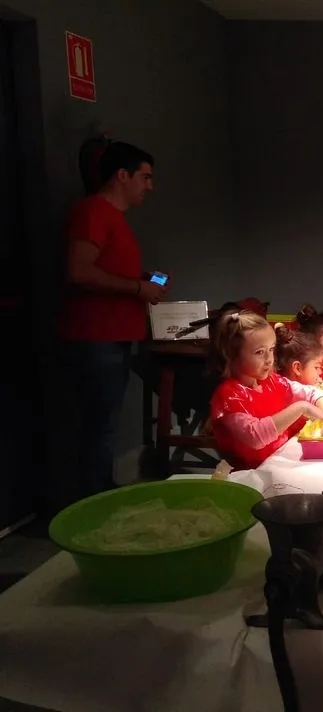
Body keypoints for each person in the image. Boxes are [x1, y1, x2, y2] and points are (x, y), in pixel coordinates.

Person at [59, 141, 167, 502]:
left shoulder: (114, 218)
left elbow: (103, 271)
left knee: (103, 425)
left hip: (114, 337)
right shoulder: (93, 211)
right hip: (95, 338)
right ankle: (93, 503)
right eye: (145, 177)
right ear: (122, 175)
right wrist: (137, 287)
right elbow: (79, 271)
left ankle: (98, 497)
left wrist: (142, 281)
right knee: (98, 427)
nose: (149, 186)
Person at [208, 311, 323, 470]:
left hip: (277, 464)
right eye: (259, 352)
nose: (269, 359)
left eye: (271, 350)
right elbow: (255, 436)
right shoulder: (229, 395)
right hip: (249, 475)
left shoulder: (272, 381)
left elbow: (314, 393)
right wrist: (301, 407)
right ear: (232, 355)